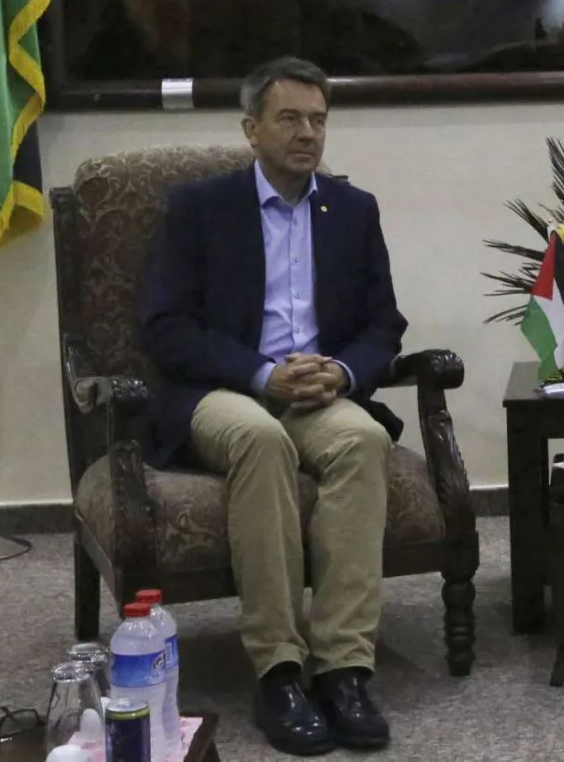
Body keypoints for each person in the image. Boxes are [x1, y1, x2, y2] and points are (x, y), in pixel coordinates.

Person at [142, 56, 407, 755]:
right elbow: (165, 325)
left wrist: (343, 373)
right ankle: (279, 670)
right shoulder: (200, 207)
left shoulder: (353, 209)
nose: (307, 133)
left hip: (319, 393)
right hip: (223, 393)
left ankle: (344, 668)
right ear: (251, 128)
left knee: (363, 442)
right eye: (290, 118)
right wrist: (262, 374)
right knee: (262, 439)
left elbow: (384, 324)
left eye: (318, 120)